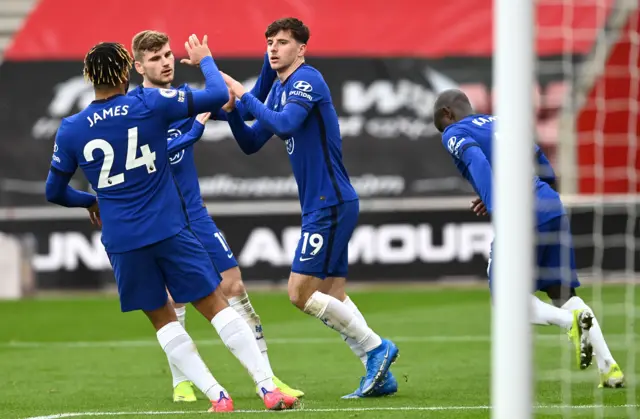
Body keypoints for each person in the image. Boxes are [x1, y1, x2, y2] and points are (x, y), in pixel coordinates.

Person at [45, 37, 298, 412]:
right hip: (168, 227)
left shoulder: (72, 128)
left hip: (123, 241)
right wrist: (206, 60)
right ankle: (267, 388)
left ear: (89, 77)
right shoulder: (148, 103)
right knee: (215, 304)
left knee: (163, 319)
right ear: (127, 69)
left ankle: (218, 396)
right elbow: (215, 95)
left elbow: (54, 191)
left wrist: (91, 200)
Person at [221, 17, 399, 398]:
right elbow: (252, 141)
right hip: (326, 203)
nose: (273, 48)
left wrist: (245, 94)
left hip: (329, 203)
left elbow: (285, 125)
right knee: (332, 294)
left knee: (299, 293)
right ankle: (378, 370)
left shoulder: (307, 80)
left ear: (301, 49)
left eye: (282, 42)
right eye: (269, 41)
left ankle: (376, 348)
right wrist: (235, 109)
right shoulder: (281, 89)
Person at [129, 29, 303, 402]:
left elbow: (245, 102)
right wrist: (196, 125)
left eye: (168, 54)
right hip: (161, 217)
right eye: (156, 57)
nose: (166, 61)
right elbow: (161, 152)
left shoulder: (182, 99)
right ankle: (182, 381)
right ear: (138, 65)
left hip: (195, 213)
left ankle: (269, 378)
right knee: (173, 298)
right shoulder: (137, 107)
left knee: (234, 285)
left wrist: (267, 61)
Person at [433, 88, 624, 388]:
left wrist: (496, 204)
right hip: (549, 206)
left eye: (441, 127)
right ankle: (610, 369)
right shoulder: (501, 123)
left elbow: (476, 160)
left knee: (507, 301)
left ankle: (569, 324)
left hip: (519, 213)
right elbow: (540, 161)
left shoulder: (454, 132)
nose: (443, 134)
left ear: (447, 114)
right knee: (562, 294)